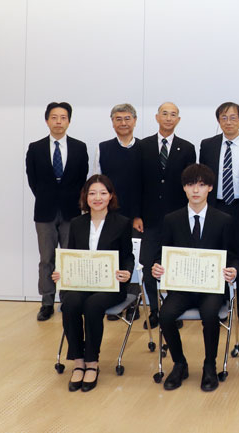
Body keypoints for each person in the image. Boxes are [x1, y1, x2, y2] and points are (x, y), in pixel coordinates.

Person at [152, 164, 238, 392]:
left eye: (201, 185)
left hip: (211, 287)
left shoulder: (223, 219)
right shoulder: (172, 219)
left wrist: (233, 270)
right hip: (182, 287)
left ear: (210, 187)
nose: (196, 190)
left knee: (210, 314)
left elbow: (234, 256)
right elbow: (162, 253)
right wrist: (157, 267)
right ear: (184, 189)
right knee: (165, 315)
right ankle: (179, 363)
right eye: (191, 185)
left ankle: (210, 365)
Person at [52, 175, 134, 392]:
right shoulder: (77, 223)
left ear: (111, 196)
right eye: (92, 193)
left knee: (93, 305)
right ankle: (78, 361)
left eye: (103, 193)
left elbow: (128, 256)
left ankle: (92, 363)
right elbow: (70, 255)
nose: (97, 197)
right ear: (85, 197)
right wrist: (61, 272)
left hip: (109, 285)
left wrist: (127, 272)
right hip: (81, 282)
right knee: (70, 303)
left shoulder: (123, 223)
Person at [199, 102, 239, 329]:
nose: (229, 122)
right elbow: (204, 178)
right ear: (218, 121)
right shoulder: (207, 146)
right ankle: (220, 305)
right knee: (217, 258)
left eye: (233, 117)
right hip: (215, 209)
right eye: (224, 118)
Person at [26, 102, 89, 321]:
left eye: (63, 117)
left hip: (72, 211)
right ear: (47, 120)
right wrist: (48, 197)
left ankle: (69, 300)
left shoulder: (80, 148)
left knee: (70, 258)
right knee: (46, 258)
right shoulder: (35, 148)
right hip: (45, 211)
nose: (59, 122)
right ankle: (46, 302)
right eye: (54, 117)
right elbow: (32, 180)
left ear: (69, 121)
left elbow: (82, 179)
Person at [136, 102, 196, 329]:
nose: (169, 118)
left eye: (173, 115)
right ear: (156, 117)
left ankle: (173, 310)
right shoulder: (143, 146)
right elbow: (136, 183)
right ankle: (154, 310)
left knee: (175, 266)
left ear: (178, 119)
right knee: (150, 266)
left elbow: (191, 185)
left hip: (177, 219)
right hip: (149, 218)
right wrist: (136, 215)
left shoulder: (187, 148)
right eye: (165, 114)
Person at [94, 103, 143, 321]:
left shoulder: (145, 148)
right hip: (110, 215)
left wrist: (139, 215)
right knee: (112, 257)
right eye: (118, 119)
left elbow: (147, 185)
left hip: (136, 216)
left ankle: (133, 303)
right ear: (112, 122)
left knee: (133, 259)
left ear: (134, 120)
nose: (123, 123)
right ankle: (114, 298)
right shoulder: (102, 148)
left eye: (127, 118)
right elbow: (96, 182)